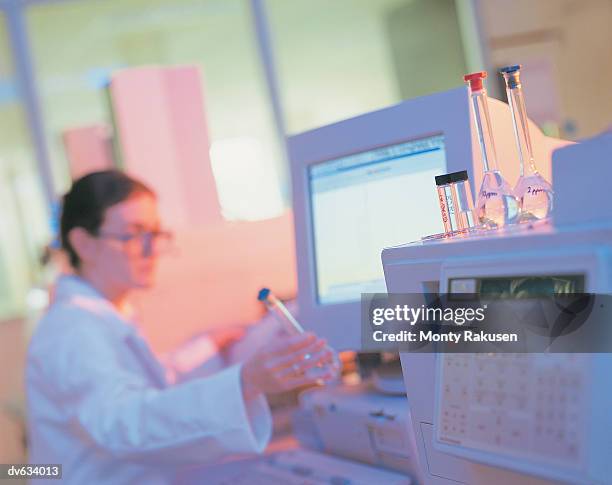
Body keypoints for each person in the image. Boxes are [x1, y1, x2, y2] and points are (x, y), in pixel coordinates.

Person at [26, 170, 336, 484]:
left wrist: (206, 347)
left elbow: (142, 383)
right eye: (134, 235)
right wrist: (246, 381)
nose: (151, 250)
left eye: (155, 234)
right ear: (84, 243)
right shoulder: (73, 331)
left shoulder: (106, 314)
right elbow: (126, 424)